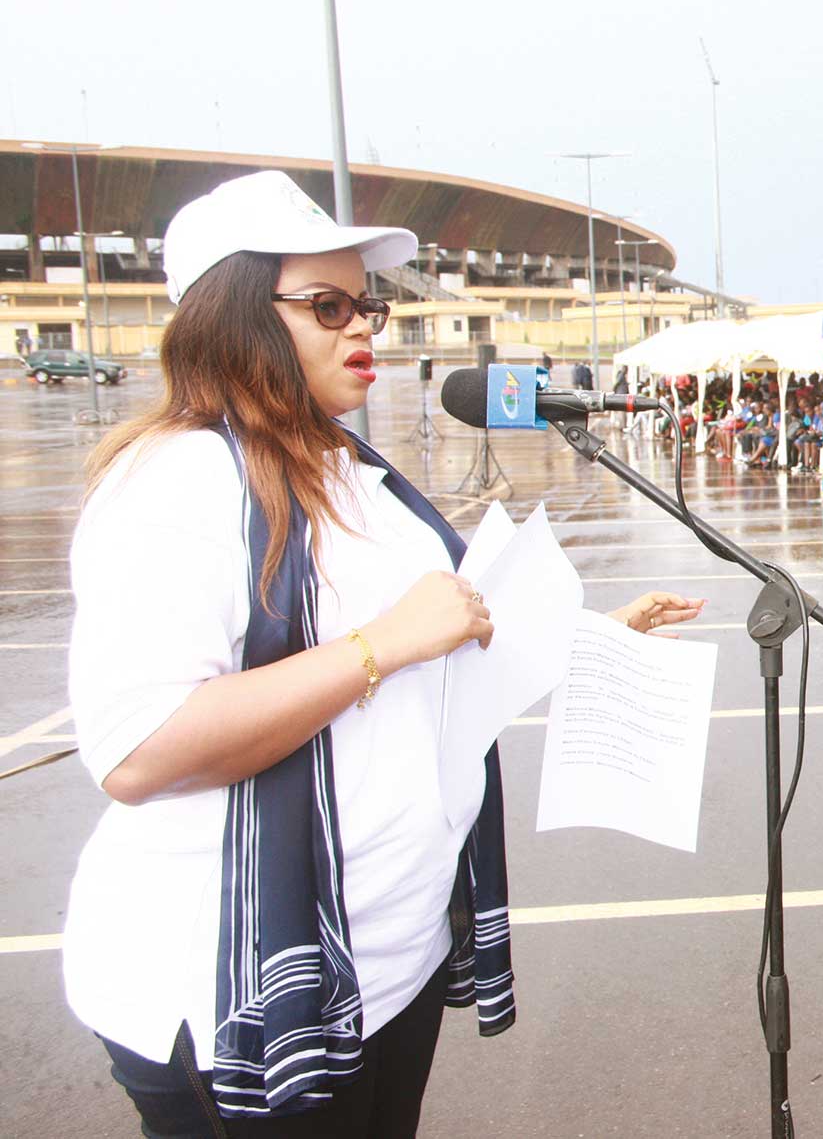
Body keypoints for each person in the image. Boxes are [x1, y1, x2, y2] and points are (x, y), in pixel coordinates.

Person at [64, 171, 706, 1135]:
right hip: (244, 991)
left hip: (383, 966)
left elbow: (442, 643)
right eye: (327, 306)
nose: (365, 325)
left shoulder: (350, 469)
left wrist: (587, 638)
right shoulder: (178, 480)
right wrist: (382, 643)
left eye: (368, 302)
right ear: (235, 315)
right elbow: (138, 748)